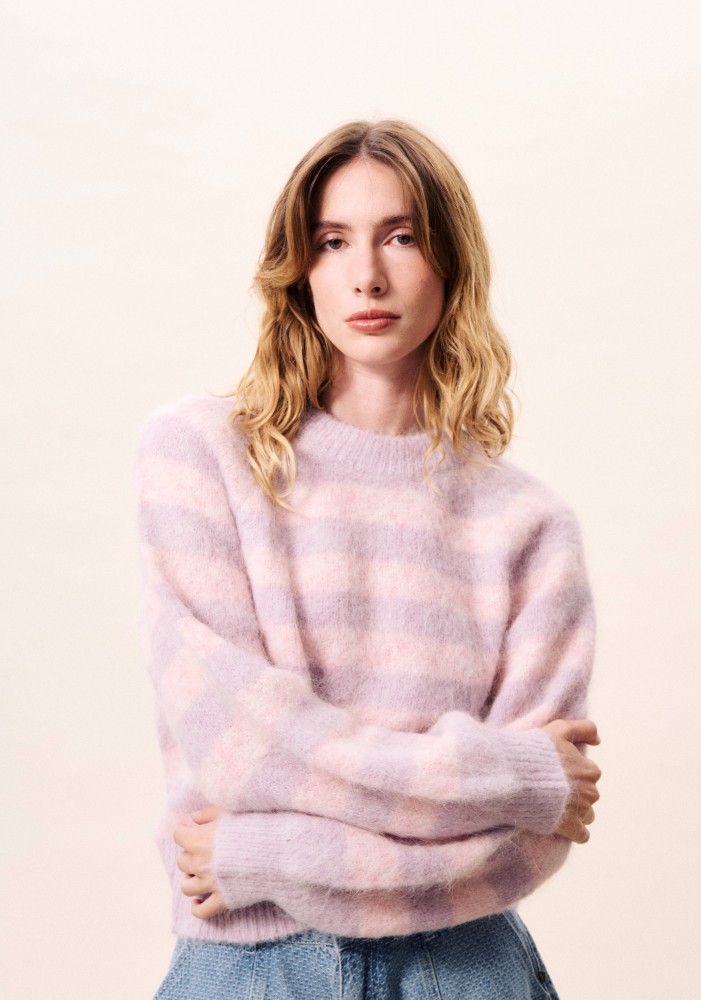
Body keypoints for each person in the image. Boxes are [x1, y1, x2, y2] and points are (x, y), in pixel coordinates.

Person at [136, 119, 601, 1000]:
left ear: (450, 260)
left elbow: (524, 844)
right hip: (253, 972)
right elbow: (243, 751)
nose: (367, 276)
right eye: (332, 241)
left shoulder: (529, 527)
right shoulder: (200, 458)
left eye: (401, 237)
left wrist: (264, 853)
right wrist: (514, 775)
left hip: (463, 968)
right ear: (299, 269)